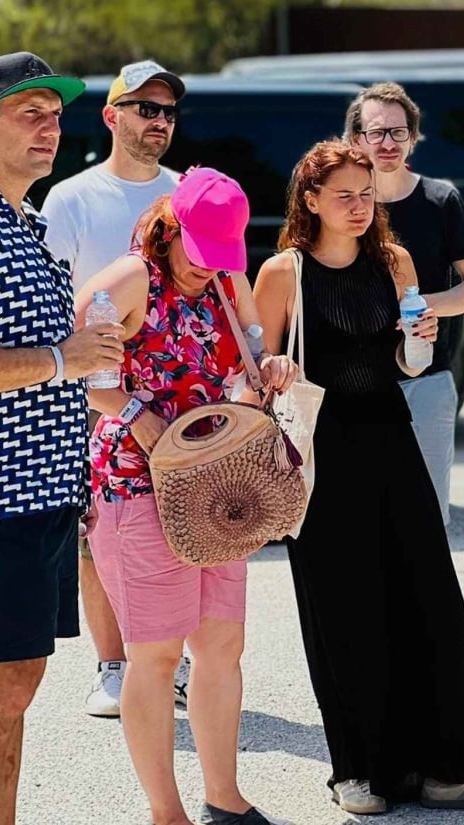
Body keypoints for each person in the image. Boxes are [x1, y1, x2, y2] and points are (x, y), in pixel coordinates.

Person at [252, 140, 464, 816]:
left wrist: (421, 337)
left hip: (390, 437)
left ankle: (448, 769)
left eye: (366, 193)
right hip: (320, 453)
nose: (357, 205)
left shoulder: (395, 261)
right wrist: (271, 370)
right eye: (343, 194)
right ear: (309, 200)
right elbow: (256, 366)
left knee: (431, 597)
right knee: (344, 609)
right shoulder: (283, 270)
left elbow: (407, 363)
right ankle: (357, 770)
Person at [78, 171, 300, 825]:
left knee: (223, 645)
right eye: (203, 250)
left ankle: (224, 796)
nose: (214, 266)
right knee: (155, 653)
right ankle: (165, 810)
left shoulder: (228, 282)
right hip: (137, 482)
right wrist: (135, 410)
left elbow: (248, 360)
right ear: (171, 230)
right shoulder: (128, 280)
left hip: (213, 482)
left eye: (223, 252)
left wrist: (270, 370)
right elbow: (75, 366)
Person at [0, 52, 120, 825]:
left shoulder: (27, 222)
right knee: (2, 685)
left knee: (13, 687)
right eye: (29, 111)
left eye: (56, 113)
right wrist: (65, 358)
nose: (51, 126)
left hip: (40, 499)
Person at [42, 59, 188, 718]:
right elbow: (56, 303)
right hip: (93, 392)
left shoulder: (185, 192)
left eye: (166, 112)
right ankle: (111, 663)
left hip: (178, 394)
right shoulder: (71, 197)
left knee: (180, 524)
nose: (157, 121)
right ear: (111, 116)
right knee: (97, 530)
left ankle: (167, 655)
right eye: (144, 108)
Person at [345, 82, 464, 527]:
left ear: (413, 137)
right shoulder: (343, 203)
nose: (387, 143)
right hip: (353, 384)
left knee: (426, 521)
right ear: (356, 140)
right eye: (376, 133)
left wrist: (419, 307)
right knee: (363, 521)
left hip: (427, 382)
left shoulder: (440, 200)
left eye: (398, 131)